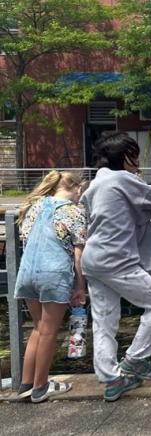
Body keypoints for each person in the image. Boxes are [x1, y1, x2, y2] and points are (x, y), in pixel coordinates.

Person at [81, 131, 151, 402]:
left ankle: (111, 381)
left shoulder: (96, 183)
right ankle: (135, 360)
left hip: (93, 259)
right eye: (134, 155)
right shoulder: (124, 179)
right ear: (125, 157)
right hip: (117, 259)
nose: (137, 161)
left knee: (104, 322)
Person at [14, 171, 86, 402]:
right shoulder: (74, 211)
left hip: (27, 273)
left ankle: (26, 384)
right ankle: (41, 387)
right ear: (75, 188)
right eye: (80, 191)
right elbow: (78, 254)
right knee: (48, 331)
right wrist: (80, 286)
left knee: (37, 328)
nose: (80, 195)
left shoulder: (34, 207)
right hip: (53, 274)